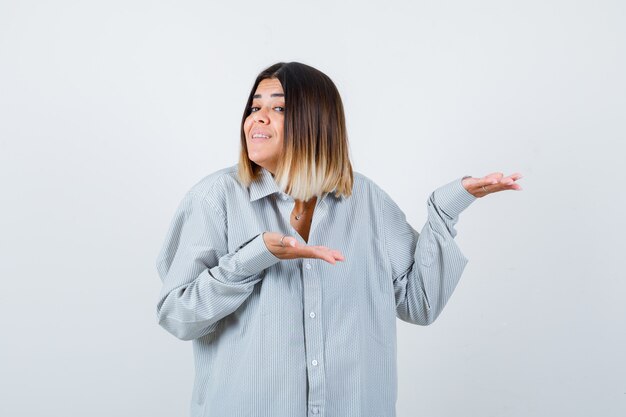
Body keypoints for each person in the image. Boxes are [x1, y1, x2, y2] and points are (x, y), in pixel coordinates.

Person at [155, 61, 523, 417]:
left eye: (278, 107)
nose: (258, 119)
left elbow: (420, 304)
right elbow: (178, 317)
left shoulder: (367, 201)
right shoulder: (214, 199)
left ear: (316, 120)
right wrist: (253, 257)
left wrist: (445, 208)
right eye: (254, 107)